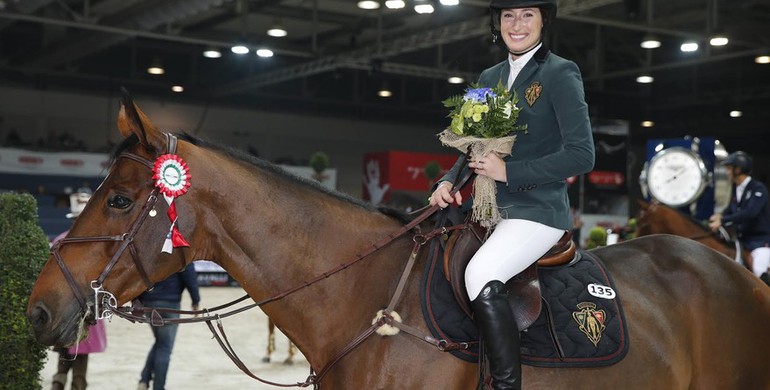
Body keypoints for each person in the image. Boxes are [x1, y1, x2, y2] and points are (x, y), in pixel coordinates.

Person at [428, 1, 595, 388]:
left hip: (537, 211)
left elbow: (582, 154)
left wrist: (510, 172)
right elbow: (472, 143)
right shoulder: (490, 75)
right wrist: (448, 182)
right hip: (486, 207)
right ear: (497, 23)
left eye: (527, 15)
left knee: (481, 272)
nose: (516, 24)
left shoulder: (560, 73)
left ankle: (505, 384)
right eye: (508, 15)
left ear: (543, 21)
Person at [50, 188, 107, 390]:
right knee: (81, 359)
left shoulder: (60, 240)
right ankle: (76, 385)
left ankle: (58, 382)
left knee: (64, 354)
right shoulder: (98, 244)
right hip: (87, 307)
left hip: (64, 308)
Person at [136, 265, 201, 390]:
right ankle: (158, 387)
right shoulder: (178, 246)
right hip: (169, 304)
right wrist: (195, 300)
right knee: (165, 347)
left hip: (148, 302)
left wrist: (136, 300)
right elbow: (189, 274)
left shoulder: (148, 246)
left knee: (160, 342)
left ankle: (144, 380)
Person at [709, 151, 770, 277]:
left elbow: (750, 212)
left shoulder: (758, 188)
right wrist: (720, 216)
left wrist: (723, 220)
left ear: (738, 169)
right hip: (740, 241)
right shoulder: (736, 189)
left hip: (759, 242)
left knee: (759, 270)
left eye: (729, 168)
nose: (727, 172)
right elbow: (731, 209)